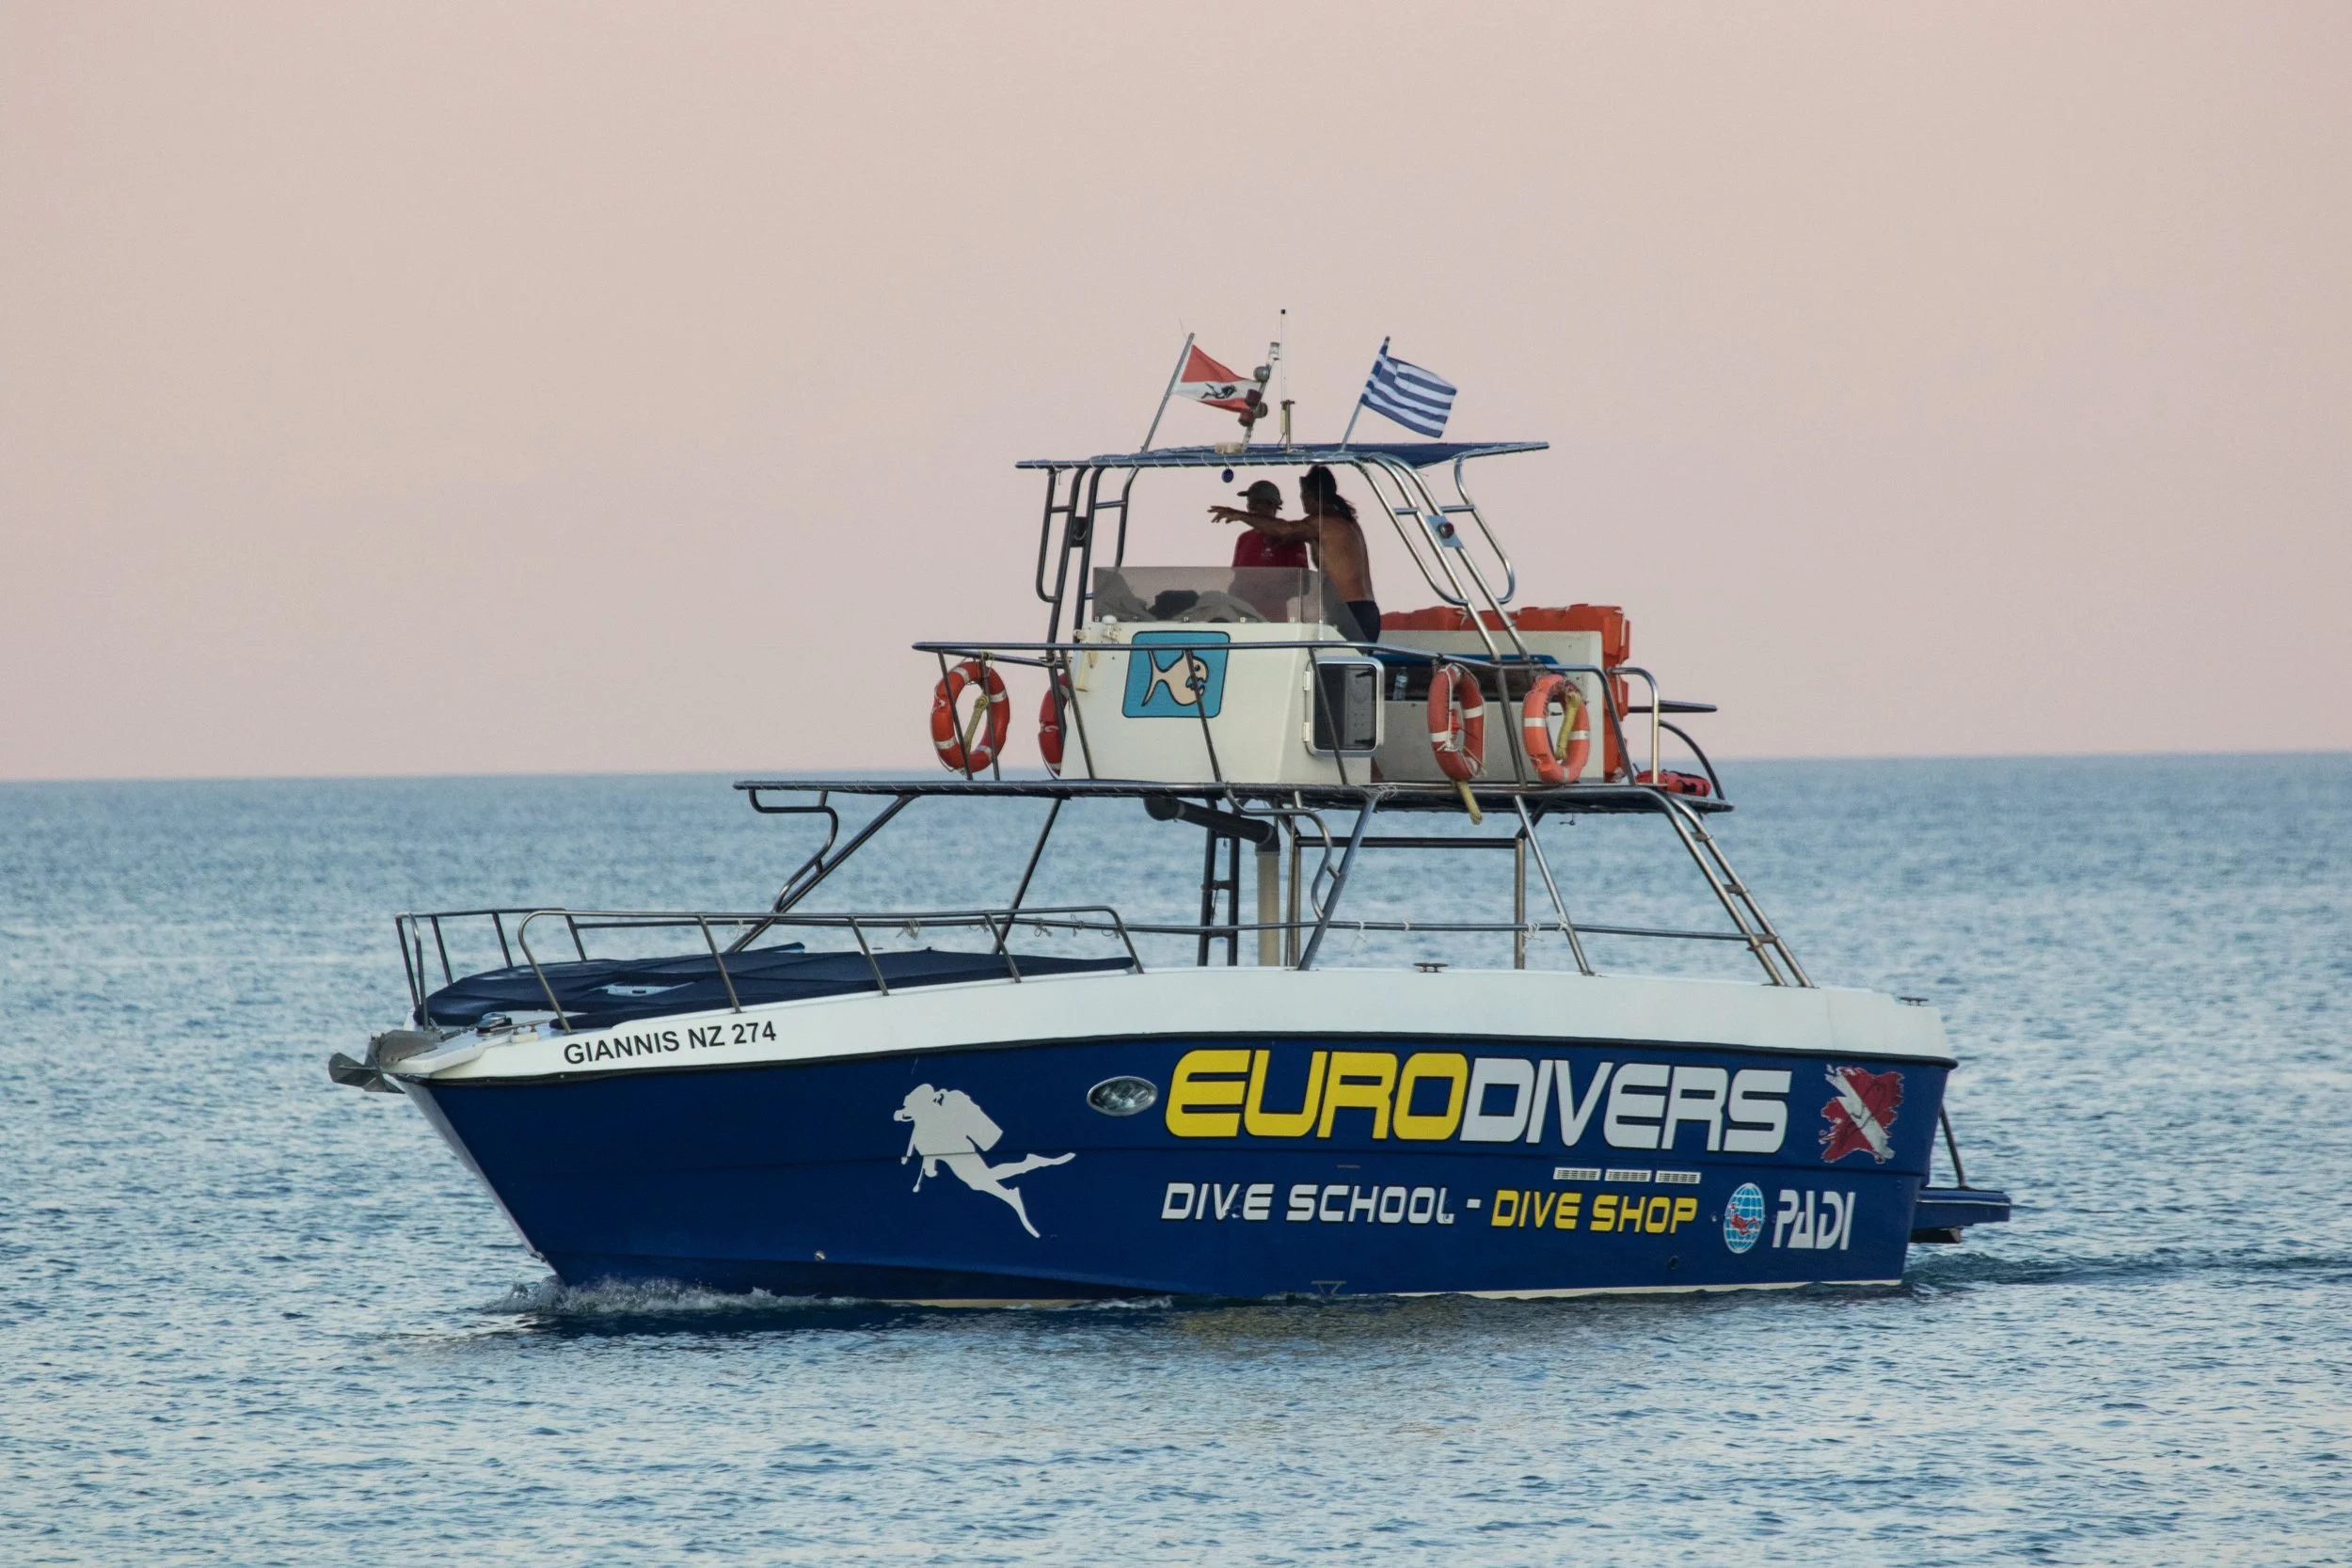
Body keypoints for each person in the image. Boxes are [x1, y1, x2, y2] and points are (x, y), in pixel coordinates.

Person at [1208, 465, 1379, 641]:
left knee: (1332, 667)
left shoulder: (1323, 521)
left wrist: (1239, 515)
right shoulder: (1345, 521)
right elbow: (1289, 533)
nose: (1301, 498)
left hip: (1350, 613)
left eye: (1302, 493)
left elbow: (1286, 529)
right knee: (1339, 667)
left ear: (1310, 494)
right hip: (1364, 611)